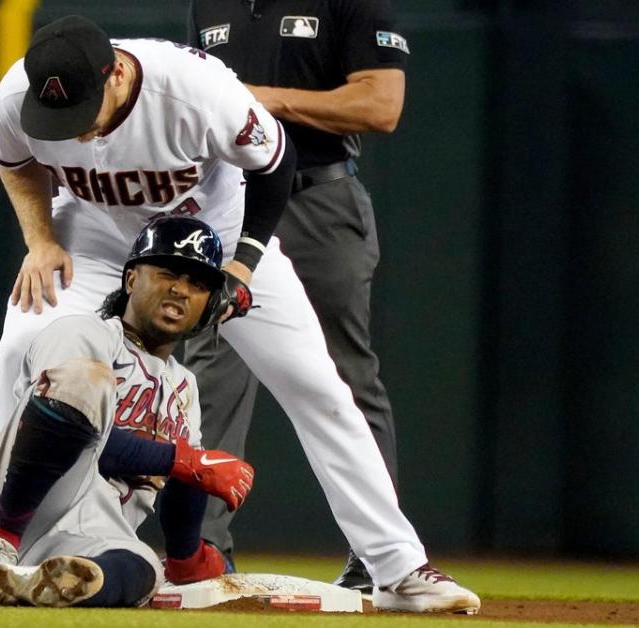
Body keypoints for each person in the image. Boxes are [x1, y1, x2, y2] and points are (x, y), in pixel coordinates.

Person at [0, 13, 479, 613]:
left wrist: (242, 267)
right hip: (93, 235)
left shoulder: (194, 89)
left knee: (317, 385)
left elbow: (275, 164)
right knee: (18, 352)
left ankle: (399, 568)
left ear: (116, 72)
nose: (74, 130)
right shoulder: (19, 94)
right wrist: (40, 240)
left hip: (210, 237)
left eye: (83, 108)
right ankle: (19, 548)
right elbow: (16, 164)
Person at [186, 0, 409, 597]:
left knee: (346, 375)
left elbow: (381, 105)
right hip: (234, 204)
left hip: (318, 200)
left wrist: (267, 99)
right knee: (210, 373)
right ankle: (202, 555)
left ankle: (381, 559)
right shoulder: (210, 4)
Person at [0, 217, 255, 606]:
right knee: (84, 380)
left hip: (97, 531)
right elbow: (78, 441)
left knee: (143, 568)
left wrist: (186, 556)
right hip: (22, 501)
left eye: (198, 284)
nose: (180, 289)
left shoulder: (183, 387)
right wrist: (184, 459)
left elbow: (185, 480)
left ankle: (42, 589)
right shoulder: (83, 332)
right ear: (130, 281)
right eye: (167, 273)